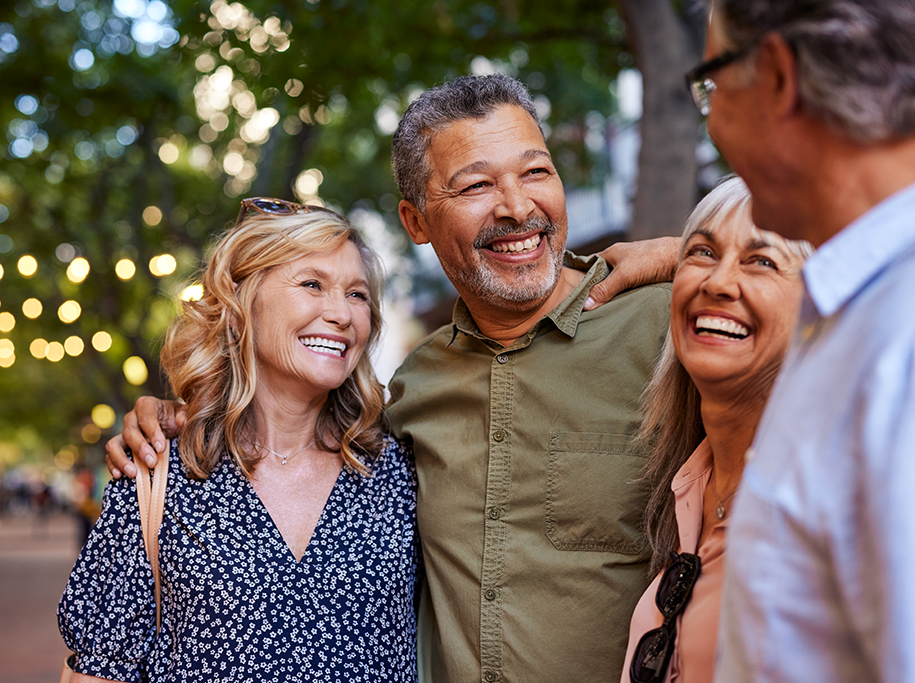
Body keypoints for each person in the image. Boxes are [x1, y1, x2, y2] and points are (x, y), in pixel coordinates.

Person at [107, 75, 679, 683]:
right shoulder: (411, 394)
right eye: (476, 185)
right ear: (416, 220)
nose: (516, 206)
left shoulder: (665, 328)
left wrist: (696, 252)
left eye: (536, 172)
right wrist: (179, 415)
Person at [59, 200, 420, 682]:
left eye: (357, 295)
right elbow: (102, 667)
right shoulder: (158, 470)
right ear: (240, 301)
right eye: (312, 284)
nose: (340, 313)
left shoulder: (398, 468)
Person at [685, 2, 915, 681]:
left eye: (712, 85)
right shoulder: (852, 315)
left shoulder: (896, 340)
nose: (714, 120)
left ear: (780, 76)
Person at [618, 177, 809, 683]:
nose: (719, 283)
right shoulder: (690, 487)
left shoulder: (829, 501)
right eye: (703, 252)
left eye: (762, 260)